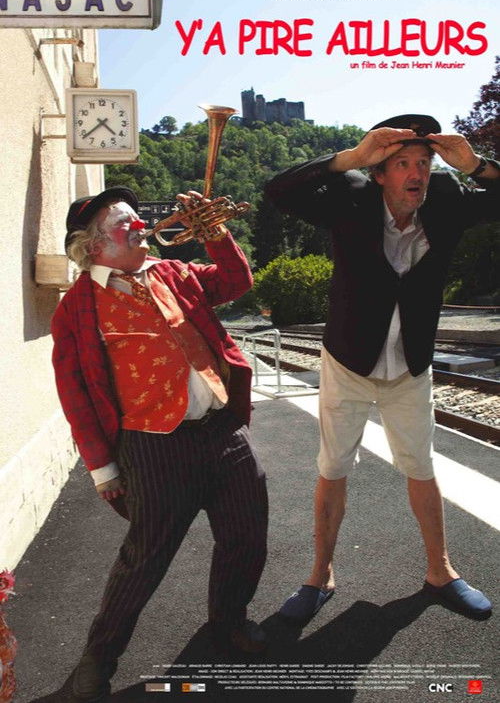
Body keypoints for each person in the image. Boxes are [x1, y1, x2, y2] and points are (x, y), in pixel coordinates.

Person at [264, 114, 499, 622]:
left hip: (410, 363)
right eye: (402, 163)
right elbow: (278, 191)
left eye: (424, 162)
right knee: (333, 466)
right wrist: (350, 157)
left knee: (421, 465)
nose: (417, 173)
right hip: (348, 359)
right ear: (379, 173)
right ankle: (320, 575)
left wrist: (476, 165)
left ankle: (440, 571)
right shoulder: (350, 197)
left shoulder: (446, 199)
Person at [51, 187, 268, 700]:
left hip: (222, 428)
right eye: (125, 222)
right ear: (95, 245)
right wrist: (102, 467)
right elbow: (74, 392)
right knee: (144, 560)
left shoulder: (172, 271)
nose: (140, 225)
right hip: (152, 445)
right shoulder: (77, 306)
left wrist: (215, 233)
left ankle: (229, 621)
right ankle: (97, 661)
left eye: (137, 218)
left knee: (246, 536)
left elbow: (236, 281)